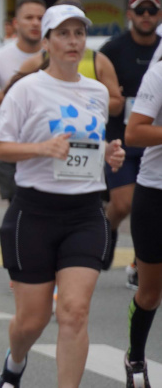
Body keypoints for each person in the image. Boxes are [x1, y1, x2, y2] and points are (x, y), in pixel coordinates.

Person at [0, 4, 126, 388]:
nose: (72, 42)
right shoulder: (27, 89)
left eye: (78, 34)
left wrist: (109, 155)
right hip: (34, 212)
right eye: (62, 34)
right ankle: (15, 363)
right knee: (32, 321)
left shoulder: (97, 92)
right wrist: (41, 149)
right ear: (46, 42)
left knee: (74, 312)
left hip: (84, 212)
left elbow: (90, 147)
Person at [100, 0, 162, 285]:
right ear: (129, 15)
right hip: (121, 137)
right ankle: (108, 227)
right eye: (140, 11)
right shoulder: (113, 49)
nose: (146, 16)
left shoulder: (161, 49)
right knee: (125, 204)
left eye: (152, 11)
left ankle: (141, 263)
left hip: (155, 138)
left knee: (145, 206)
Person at [0, 0, 47, 202]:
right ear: (16, 23)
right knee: (18, 206)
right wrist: (8, 94)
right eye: (29, 18)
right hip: (11, 143)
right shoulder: (0, 57)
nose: (35, 23)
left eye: (41, 18)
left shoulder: (57, 56)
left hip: (47, 141)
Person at [123, 57, 162, 387]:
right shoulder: (159, 74)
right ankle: (135, 358)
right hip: (156, 193)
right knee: (150, 292)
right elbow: (133, 132)